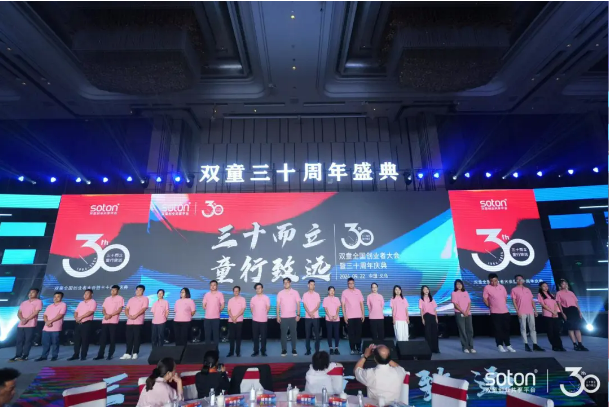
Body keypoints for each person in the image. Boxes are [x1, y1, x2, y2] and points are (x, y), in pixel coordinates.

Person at [483, 273, 515, 353]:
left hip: (505, 311)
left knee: (506, 329)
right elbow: (485, 299)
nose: (494, 282)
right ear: (489, 281)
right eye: (492, 281)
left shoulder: (502, 287)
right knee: (498, 329)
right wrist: (490, 306)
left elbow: (505, 298)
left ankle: (508, 345)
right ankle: (499, 345)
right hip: (495, 312)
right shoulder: (487, 287)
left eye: (495, 280)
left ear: (497, 280)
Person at [511, 275, 544, 352]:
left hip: (530, 311)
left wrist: (535, 310)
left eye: (521, 279)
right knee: (523, 328)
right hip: (521, 311)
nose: (520, 280)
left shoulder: (527, 289)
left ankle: (535, 344)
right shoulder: (514, 290)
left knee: (532, 328)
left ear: (523, 280)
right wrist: (517, 311)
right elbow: (514, 301)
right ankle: (526, 344)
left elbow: (532, 300)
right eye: (518, 279)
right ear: (515, 281)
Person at [9, 288, 42, 362]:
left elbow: (35, 312)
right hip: (21, 324)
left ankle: (25, 355)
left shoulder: (38, 302)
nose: (30, 294)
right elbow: (19, 313)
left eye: (33, 292)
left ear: (37, 294)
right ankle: (18, 355)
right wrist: (22, 319)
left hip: (30, 324)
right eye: (30, 292)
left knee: (28, 341)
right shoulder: (24, 302)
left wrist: (26, 319)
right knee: (19, 340)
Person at [555, 279, 589, 351]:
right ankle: (574, 344)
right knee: (571, 328)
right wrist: (562, 313)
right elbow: (559, 304)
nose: (565, 285)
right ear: (560, 285)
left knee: (577, 328)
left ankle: (580, 344)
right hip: (567, 310)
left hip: (574, 310)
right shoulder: (559, 293)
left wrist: (579, 311)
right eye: (563, 284)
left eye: (565, 283)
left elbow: (576, 303)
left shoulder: (571, 293)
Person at [95, 285, 124, 360]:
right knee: (103, 339)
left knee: (112, 338)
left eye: (115, 290)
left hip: (113, 321)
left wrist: (110, 315)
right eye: (112, 290)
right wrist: (106, 315)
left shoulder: (120, 298)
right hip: (105, 320)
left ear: (118, 291)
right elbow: (103, 309)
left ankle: (110, 354)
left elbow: (119, 309)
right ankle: (100, 355)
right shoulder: (107, 298)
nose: (113, 291)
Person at [35, 291, 67, 361]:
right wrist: (47, 322)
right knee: (45, 343)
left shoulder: (63, 305)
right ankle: (44, 356)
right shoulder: (49, 306)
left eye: (58, 297)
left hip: (56, 327)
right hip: (46, 327)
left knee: (55, 343)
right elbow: (45, 315)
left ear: (61, 298)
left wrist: (50, 321)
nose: (56, 298)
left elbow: (60, 315)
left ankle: (54, 356)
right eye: (55, 297)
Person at [121, 285, 149, 360]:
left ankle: (135, 353)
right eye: (137, 290)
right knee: (129, 338)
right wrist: (128, 315)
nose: (138, 291)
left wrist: (136, 315)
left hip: (138, 321)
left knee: (137, 338)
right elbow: (127, 309)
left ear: (143, 291)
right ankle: (127, 353)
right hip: (129, 321)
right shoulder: (131, 299)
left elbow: (144, 308)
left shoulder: (145, 298)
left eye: (140, 290)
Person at [69, 289, 97, 361]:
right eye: (85, 294)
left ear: (91, 295)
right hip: (78, 323)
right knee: (77, 340)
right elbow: (76, 312)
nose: (85, 295)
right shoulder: (81, 303)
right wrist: (76, 318)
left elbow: (91, 312)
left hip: (86, 323)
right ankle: (76, 355)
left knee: (85, 340)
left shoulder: (93, 302)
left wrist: (81, 317)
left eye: (87, 293)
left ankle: (83, 355)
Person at [537, 282, 565, 352]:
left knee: (556, 331)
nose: (546, 287)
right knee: (550, 331)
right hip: (547, 315)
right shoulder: (540, 295)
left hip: (555, 315)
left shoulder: (551, 295)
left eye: (547, 286)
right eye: (544, 286)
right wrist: (552, 312)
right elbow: (543, 305)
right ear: (541, 287)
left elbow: (555, 304)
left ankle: (560, 346)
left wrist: (555, 312)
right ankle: (554, 346)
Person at [277, 277, 301, 356]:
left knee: (293, 334)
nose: (285, 284)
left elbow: (298, 304)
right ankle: (284, 349)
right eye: (284, 283)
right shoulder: (280, 293)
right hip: (283, 317)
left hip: (293, 317)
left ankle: (294, 349)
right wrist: (278, 316)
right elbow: (278, 305)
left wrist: (298, 314)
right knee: (283, 334)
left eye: (287, 282)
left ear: (290, 283)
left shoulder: (295, 292)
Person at [341, 278, 364, 355]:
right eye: (349, 283)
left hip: (358, 315)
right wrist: (344, 316)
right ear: (347, 284)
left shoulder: (358, 291)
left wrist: (363, 314)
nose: (351, 284)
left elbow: (361, 303)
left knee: (358, 333)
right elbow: (343, 305)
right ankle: (352, 348)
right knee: (351, 333)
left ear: (354, 283)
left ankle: (359, 348)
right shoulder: (344, 292)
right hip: (349, 316)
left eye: (352, 283)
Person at [451, 280, 475, 353]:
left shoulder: (465, 292)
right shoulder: (454, 293)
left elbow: (469, 303)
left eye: (460, 284)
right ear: (455, 286)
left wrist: (467, 311)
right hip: (459, 313)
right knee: (462, 330)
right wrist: (463, 311)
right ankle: (465, 347)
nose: (459, 285)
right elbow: (455, 304)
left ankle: (471, 347)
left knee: (470, 330)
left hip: (468, 313)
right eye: (457, 284)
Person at [250, 283, 270, 356]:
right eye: (257, 288)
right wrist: (255, 314)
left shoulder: (266, 298)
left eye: (259, 288)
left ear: (262, 289)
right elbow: (251, 308)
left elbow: (268, 307)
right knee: (255, 337)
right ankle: (256, 351)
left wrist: (263, 314)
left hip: (263, 320)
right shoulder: (253, 298)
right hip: (255, 320)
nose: (258, 289)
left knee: (263, 337)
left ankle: (263, 351)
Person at [203, 280, 225, 345]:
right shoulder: (207, 294)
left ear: (217, 286)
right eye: (211, 285)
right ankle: (207, 349)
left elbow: (223, 305)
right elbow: (204, 305)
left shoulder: (220, 294)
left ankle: (216, 349)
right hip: (207, 318)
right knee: (207, 335)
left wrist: (218, 310)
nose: (213, 286)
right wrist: (207, 308)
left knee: (216, 335)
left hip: (216, 318)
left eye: (214, 285)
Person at [302, 279, 321, 355]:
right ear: (308, 285)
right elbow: (304, 305)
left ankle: (317, 350)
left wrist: (312, 312)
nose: (312, 286)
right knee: (307, 335)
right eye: (311, 284)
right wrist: (309, 313)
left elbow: (318, 305)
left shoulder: (317, 294)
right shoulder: (305, 294)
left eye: (313, 284)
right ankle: (308, 350)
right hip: (307, 317)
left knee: (317, 335)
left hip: (316, 317)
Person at [419, 286, 439, 354]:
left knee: (434, 333)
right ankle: (429, 349)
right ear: (422, 291)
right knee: (428, 333)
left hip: (433, 316)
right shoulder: (421, 299)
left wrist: (436, 318)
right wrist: (422, 319)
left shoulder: (431, 299)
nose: (426, 290)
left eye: (427, 289)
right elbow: (421, 310)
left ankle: (435, 349)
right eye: (424, 289)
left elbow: (435, 309)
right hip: (426, 316)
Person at [227, 286, 246, 357]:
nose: (236, 292)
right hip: (231, 320)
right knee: (231, 337)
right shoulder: (230, 300)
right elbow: (228, 310)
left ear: (239, 291)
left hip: (239, 320)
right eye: (234, 291)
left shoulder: (242, 299)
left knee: (238, 336)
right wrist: (232, 317)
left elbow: (242, 310)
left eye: (237, 291)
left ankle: (238, 352)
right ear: (233, 292)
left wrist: (235, 317)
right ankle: (231, 352)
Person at [323, 286, 341, 355]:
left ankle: (336, 348)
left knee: (336, 334)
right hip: (328, 319)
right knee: (329, 334)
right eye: (330, 290)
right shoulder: (325, 299)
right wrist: (329, 316)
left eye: (333, 290)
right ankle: (330, 348)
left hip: (336, 319)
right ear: (328, 291)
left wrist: (336, 315)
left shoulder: (337, 298)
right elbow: (326, 309)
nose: (332, 292)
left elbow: (338, 308)